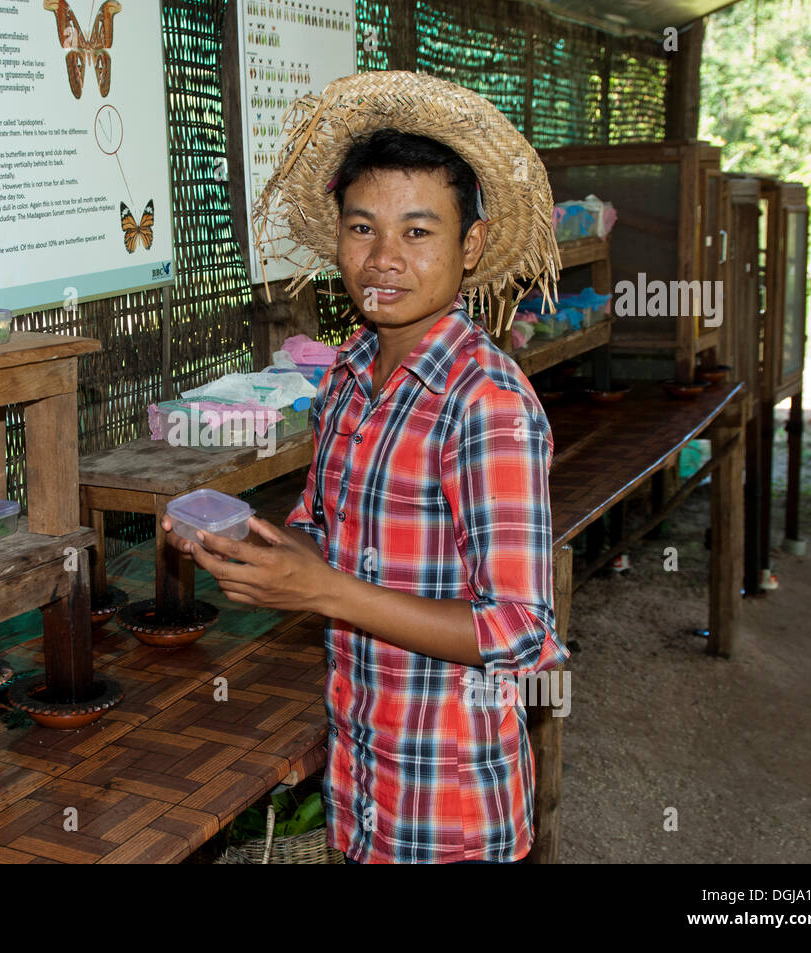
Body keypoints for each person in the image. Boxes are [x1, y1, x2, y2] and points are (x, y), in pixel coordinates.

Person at [162, 72, 568, 863]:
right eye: (361, 228)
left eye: (418, 232)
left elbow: (524, 634)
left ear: (471, 244)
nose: (383, 259)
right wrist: (261, 550)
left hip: (450, 814)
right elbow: (324, 530)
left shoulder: (485, 401)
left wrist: (322, 591)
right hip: (361, 788)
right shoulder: (350, 374)